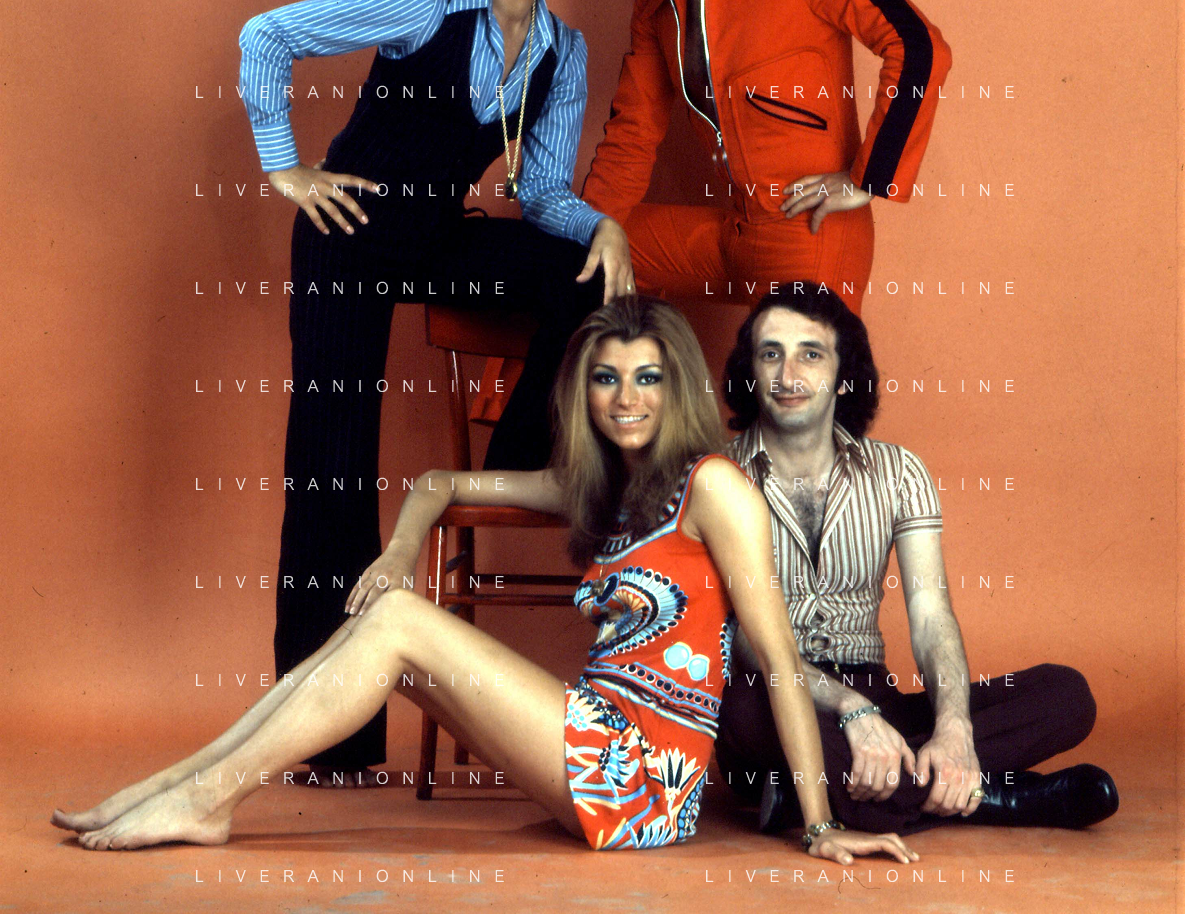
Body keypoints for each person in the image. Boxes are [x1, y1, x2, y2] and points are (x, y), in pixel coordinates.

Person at [54, 296, 913, 862]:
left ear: (677, 386)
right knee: (376, 623)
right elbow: (440, 483)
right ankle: (180, 784)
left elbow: (776, 657)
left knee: (396, 622)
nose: (626, 398)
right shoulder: (599, 486)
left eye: (647, 378)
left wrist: (820, 823)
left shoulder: (714, 485)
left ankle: (206, 798)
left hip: (643, 778)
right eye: (606, 378)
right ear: (582, 390)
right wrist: (398, 552)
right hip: (589, 738)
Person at [236, 0, 634, 780]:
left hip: (434, 234)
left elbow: (541, 192)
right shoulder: (420, 2)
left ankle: (510, 466)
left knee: (579, 276)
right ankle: (331, 740)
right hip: (348, 235)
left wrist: (602, 227)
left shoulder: (562, 51)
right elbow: (264, 37)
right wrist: (287, 168)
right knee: (334, 464)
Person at [714, 285, 1119, 835]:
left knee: (1066, 696)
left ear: (843, 374)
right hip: (775, 694)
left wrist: (954, 729)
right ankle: (1004, 798)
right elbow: (740, 637)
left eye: (811, 353)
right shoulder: (714, 477)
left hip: (877, 698)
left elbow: (930, 615)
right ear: (750, 370)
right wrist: (847, 706)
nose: (789, 374)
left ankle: (814, 792)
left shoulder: (898, 472)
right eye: (771, 353)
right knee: (736, 703)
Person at [582, 0, 952, 315]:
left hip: (810, 230)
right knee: (575, 255)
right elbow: (632, 134)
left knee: (784, 367)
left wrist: (867, 179)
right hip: (732, 231)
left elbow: (918, 45)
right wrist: (591, 227)